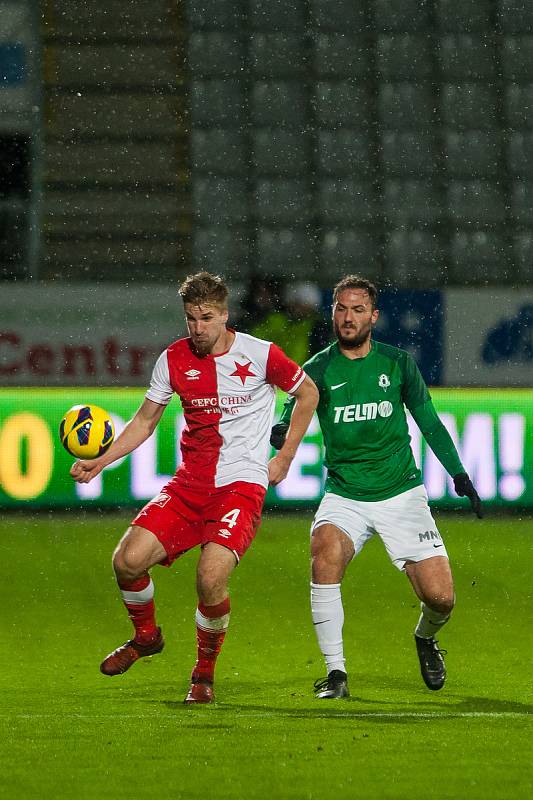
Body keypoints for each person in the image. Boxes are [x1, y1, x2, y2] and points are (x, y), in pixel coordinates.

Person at [71, 271, 318, 705]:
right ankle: (146, 638)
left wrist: (285, 456)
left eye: (206, 318)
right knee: (127, 562)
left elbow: (309, 393)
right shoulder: (173, 359)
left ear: (225, 316)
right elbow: (145, 422)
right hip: (190, 485)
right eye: (190, 319)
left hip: (240, 486)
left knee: (209, 579)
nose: (197, 328)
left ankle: (203, 674)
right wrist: (99, 462)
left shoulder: (261, 354)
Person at [270, 274, 482, 699]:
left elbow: (429, 422)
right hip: (345, 494)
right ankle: (336, 674)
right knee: (324, 556)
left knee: (441, 599)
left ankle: (424, 638)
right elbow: (289, 413)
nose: (348, 318)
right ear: (332, 313)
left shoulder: (397, 363)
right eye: (341, 309)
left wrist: (458, 473)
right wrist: (279, 431)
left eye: (358, 310)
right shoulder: (315, 369)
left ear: (374, 316)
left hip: (401, 493)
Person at [249, 280, 331, 366]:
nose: (298, 307)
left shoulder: (317, 327)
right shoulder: (275, 320)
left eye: (303, 303)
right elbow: (254, 340)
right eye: (296, 302)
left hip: (298, 373)